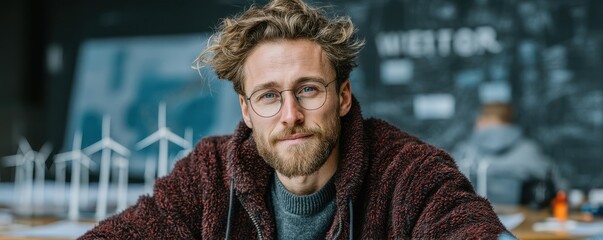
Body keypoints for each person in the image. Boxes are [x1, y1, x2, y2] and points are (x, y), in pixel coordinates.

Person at [81, 0, 510, 238]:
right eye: (269, 96)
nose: (291, 116)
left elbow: (466, 227)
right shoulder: (209, 175)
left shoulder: (408, 172)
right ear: (247, 111)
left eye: (308, 89)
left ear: (342, 96)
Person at [453, 102, 556, 207]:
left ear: (484, 119)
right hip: (523, 218)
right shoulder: (528, 150)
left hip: (472, 217)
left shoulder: (466, 150)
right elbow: (554, 183)